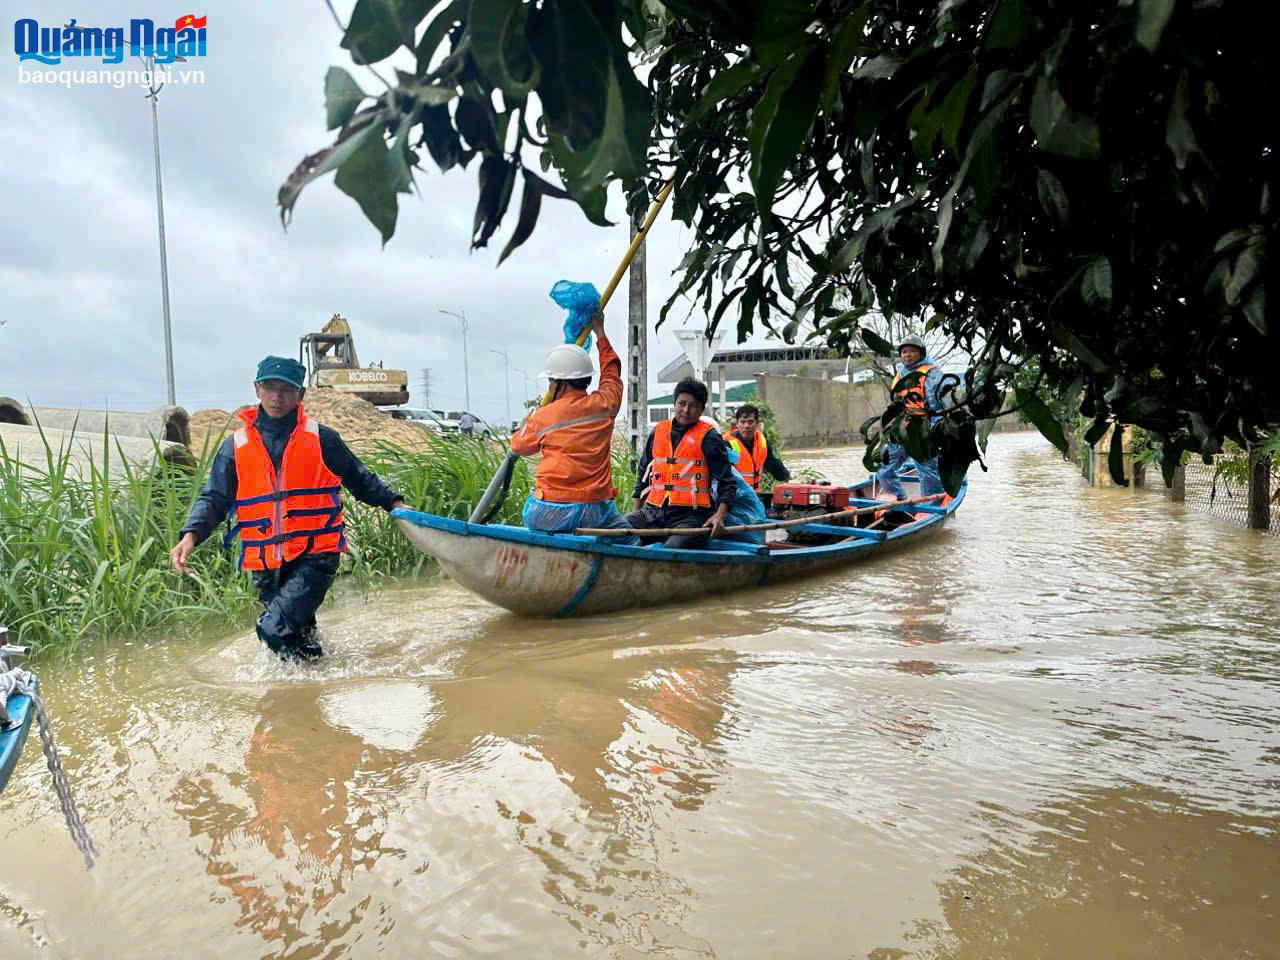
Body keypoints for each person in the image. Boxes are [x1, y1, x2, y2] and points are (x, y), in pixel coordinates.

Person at [170, 356, 405, 661]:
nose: (276, 397)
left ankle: (292, 695)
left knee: (272, 629)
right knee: (297, 640)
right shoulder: (235, 446)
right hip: (265, 561)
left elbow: (359, 478)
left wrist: (395, 503)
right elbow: (214, 497)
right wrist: (191, 534)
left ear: (301, 395)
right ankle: (307, 695)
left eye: (286, 390)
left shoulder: (322, 439)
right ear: (257, 389)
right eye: (269, 388)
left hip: (315, 554)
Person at [509, 312, 637, 543]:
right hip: (593, 511)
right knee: (631, 541)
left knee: (535, 516)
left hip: (548, 512)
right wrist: (600, 332)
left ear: (560, 383)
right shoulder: (605, 404)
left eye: (551, 381)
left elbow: (519, 446)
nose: (549, 386)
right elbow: (611, 373)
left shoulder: (542, 417)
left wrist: (524, 425)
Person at [626, 378, 736, 548]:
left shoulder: (710, 437)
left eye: (693, 406)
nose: (686, 410)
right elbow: (643, 474)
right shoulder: (658, 431)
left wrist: (719, 516)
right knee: (619, 531)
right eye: (682, 403)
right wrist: (636, 512)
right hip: (653, 513)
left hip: (691, 516)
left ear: (701, 410)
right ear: (674, 404)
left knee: (672, 550)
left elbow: (727, 482)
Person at [876, 335, 945, 498]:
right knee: (884, 466)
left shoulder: (931, 374)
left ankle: (931, 505)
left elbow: (939, 406)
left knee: (927, 473)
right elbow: (896, 405)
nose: (907, 355)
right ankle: (898, 500)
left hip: (924, 429)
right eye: (904, 352)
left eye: (912, 351)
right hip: (903, 428)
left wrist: (935, 432)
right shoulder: (900, 374)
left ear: (921, 353)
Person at [725, 404, 791, 491]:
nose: (746, 426)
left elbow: (773, 464)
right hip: (733, 496)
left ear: (756, 424)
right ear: (737, 424)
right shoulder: (726, 443)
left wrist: (787, 477)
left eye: (750, 422)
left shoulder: (762, 442)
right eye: (743, 422)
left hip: (754, 495)